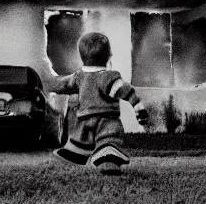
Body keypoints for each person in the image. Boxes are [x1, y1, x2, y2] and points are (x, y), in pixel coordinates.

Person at [41, 31, 148, 175]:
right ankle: (102, 158)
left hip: (86, 119)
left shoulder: (81, 76)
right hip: (106, 120)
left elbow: (64, 84)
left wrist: (48, 83)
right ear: (109, 56)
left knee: (87, 140)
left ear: (81, 56)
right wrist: (137, 106)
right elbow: (124, 90)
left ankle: (96, 158)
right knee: (107, 139)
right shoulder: (107, 77)